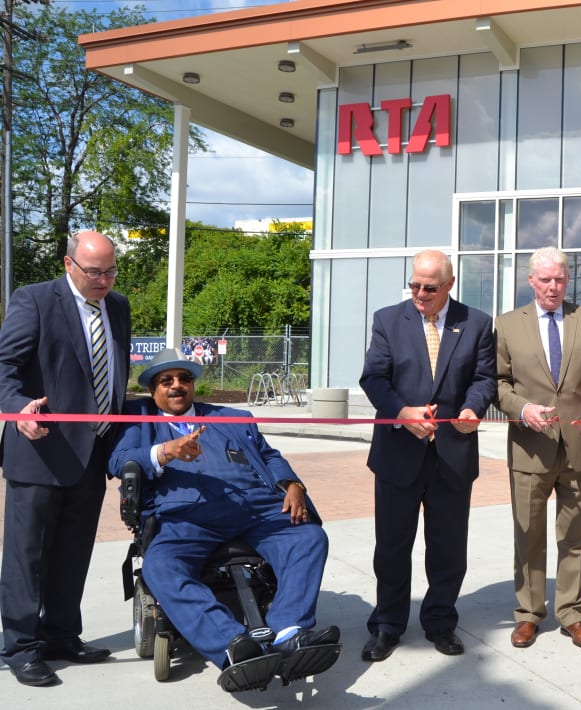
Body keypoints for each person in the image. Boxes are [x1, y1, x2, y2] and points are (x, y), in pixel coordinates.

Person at [108, 348, 339, 687]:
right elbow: (119, 462)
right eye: (166, 380)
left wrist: (293, 483)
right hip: (185, 516)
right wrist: (167, 451)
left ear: (193, 385)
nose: (176, 386)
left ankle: (290, 630)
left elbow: (268, 455)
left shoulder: (232, 417)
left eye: (183, 379)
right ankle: (233, 646)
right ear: (152, 389)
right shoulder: (138, 418)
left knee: (308, 538)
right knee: (161, 567)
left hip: (256, 507)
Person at [0, 231, 131, 687]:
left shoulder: (118, 306)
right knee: (27, 556)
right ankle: (19, 646)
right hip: (40, 449)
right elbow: (6, 367)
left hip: (93, 450)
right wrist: (17, 409)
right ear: (69, 264)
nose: (103, 280)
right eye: (94, 271)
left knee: (73, 553)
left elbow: (114, 371)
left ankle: (60, 635)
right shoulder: (34, 300)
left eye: (111, 270)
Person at [359, 249, 496, 662]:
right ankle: (388, 625)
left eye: (430, 288)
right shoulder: (388, 319)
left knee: (448, 548)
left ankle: (440, 623)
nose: (420, 293)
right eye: (415, 284)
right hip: (398, 453)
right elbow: (374, 378)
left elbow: (485, 377)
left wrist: (473, 408)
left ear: (449, 285)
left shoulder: (476, 323)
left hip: (452, 454)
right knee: (392, 547)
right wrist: (402, 412)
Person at [494, 246, 581, 651]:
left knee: (576, 535)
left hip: (580, 444)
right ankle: (529, 614)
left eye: (560, 279)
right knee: (528, 534)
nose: (553, 286)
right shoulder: (508, 325)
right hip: (531, 447)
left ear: (569, 280)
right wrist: (523, 408)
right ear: (531, 281)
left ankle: (573, 614)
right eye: (545, 279)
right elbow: (498, 383)